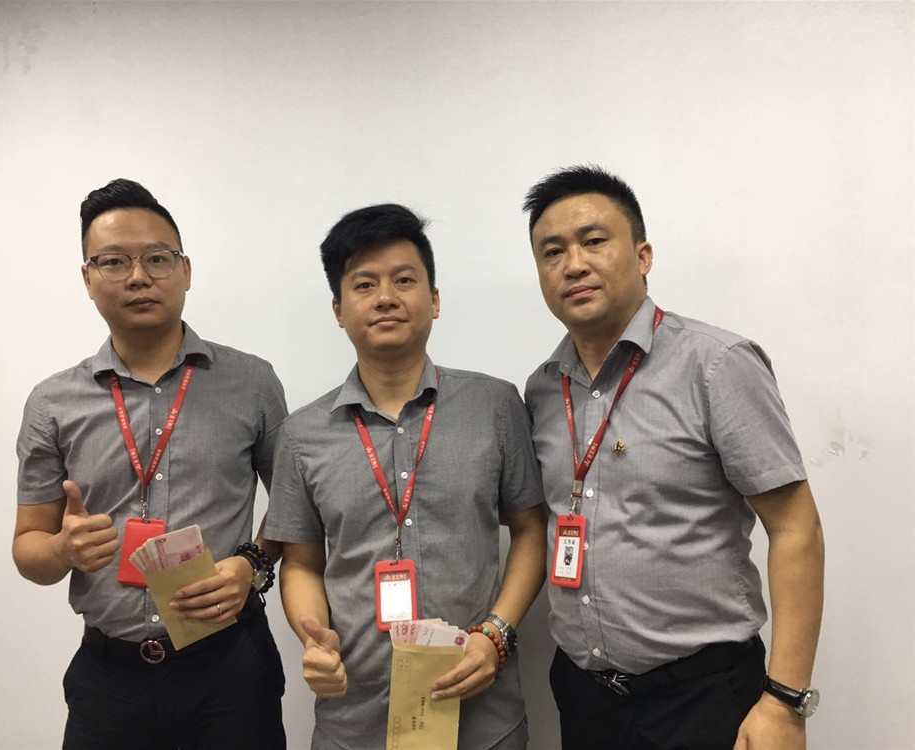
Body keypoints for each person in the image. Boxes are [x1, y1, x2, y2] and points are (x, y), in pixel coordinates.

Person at [522, 165, 825, 750]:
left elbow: (796, 528)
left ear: (643, 256)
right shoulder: (541, 389)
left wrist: (786, 702)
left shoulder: (716, 365)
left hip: (702, 698)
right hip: (585, 696)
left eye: (593, 240)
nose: (573, 264)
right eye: (552, 252)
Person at [12, 179, 288, 749]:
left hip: (229, 667)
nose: (138, 277)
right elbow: (28, 549)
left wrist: (251, 565)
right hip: (109, 679)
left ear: (185, 270)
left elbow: (295, 509)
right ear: (87, 279)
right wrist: (62, 550)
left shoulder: (253, 383)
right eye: (114, 261)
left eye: (157, 259)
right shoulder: (52, 402)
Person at [265, 204, 548, 750]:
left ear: (434, 299)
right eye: (364, 284)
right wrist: (313, 638)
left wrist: (497, 633)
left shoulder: (495, 405)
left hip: (482, 718)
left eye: (404, 280)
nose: (386, 297)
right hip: (355, 722)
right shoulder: (301, 434)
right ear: (338, 309)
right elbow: (301, 562)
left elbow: (531, 529)